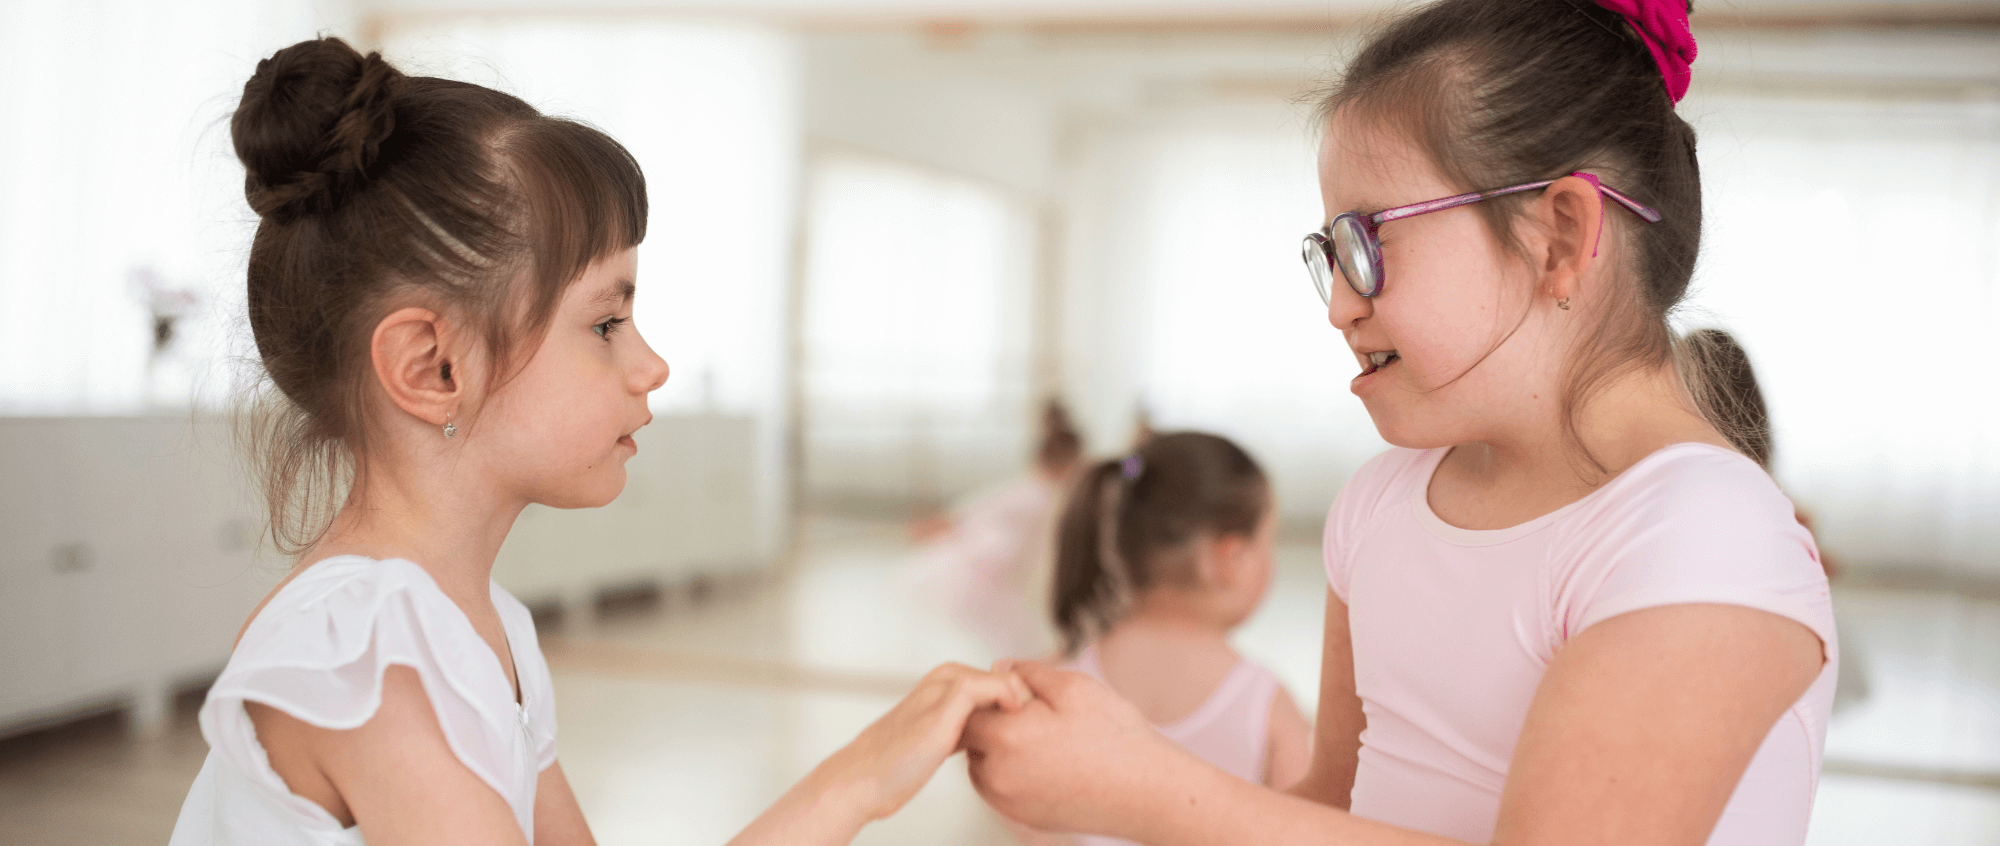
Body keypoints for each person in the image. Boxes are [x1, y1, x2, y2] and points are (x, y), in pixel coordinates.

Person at [962, 2, 1837, 845]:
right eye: (1331, 253)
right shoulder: (1382, 505)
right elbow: (1330, 811)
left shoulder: (1706, 534)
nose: (1341, 304)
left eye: (1369, 241)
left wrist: (1143, 789)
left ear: (1561, 235)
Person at [169, 37, 1027, 846]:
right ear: (432, 367)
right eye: (607, 322)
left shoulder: (480, 625)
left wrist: (864, 777)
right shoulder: (361, 653)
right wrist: (854, 786)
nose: (651, 365)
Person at [1048, 431, 1313, 846]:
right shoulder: (1268, 706)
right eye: (1268, 540)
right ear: (1229, 559)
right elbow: (1304, 832)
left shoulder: (1060, 683)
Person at [910, 398, 1085, 658]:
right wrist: (946, 525)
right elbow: (985, 510)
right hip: (997, 574)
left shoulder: (1043, 494)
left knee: (1020, 637)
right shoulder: (1035, 494)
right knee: (1017, 637)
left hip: (1015, 575)